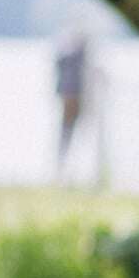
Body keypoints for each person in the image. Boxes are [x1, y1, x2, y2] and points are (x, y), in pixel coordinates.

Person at [51, 29, 94, 180]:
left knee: (71, 135)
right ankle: (64, 171)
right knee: (68, 134)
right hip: (72, 97)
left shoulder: (68, 57)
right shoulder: (74, 57)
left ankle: (70, 171)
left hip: (73, 97)